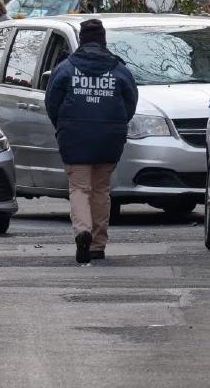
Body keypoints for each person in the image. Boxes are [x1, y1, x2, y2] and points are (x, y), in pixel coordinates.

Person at [45, 19, 138, 264]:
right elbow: (130, 102)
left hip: (74, 138)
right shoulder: (118, 69)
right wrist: (117, 125)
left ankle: (82, 231)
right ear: (103, 39)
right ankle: (97, 244)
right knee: (101, 190)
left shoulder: (66, 68)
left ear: (82, 39)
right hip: (109, 139)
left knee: (79, 188)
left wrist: (63, 126)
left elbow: (51, 102)